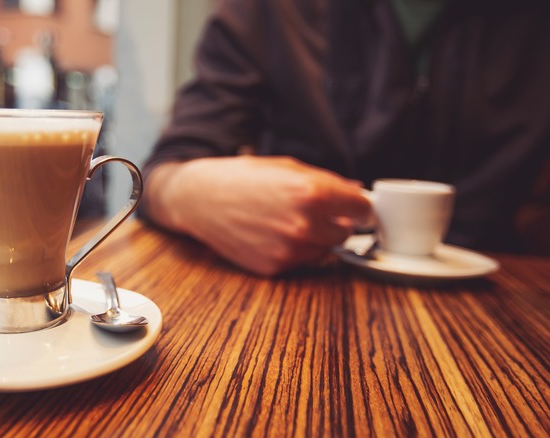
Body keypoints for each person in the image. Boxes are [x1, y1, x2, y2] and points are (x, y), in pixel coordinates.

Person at [140, 0, 550, 276]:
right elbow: (162, 172)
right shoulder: (271, 11)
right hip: (298, 289)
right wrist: (186, 191)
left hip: (499, 307)